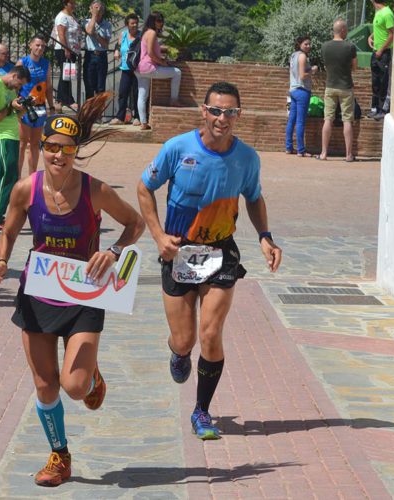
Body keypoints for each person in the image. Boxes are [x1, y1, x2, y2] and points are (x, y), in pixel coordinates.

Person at [0, 94, 145, 487]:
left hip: (84, 294)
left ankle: (91, 377)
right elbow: (7, 233)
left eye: (67, 150)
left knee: (74, 387)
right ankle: (60, 456)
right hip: (38, 294)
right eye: (52, 148)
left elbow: (135, 223)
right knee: (45, 384)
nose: (59, 156)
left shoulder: (95, 190)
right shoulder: (25, 189)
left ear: (76, 153)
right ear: (42, 148)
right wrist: (1, 262)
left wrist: (113, 251)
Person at [136, 82, 283, 440]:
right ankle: (178, 353)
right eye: (216, 110)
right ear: (204, 111)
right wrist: (158, 236)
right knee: (185, 340)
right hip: (179, 251)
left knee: (211, 333)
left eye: (230, 112)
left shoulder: (247, 158)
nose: (222, 118)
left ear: (238, 116)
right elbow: (144, 188)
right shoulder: (178, 148)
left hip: (220, 252)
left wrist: (265, 236)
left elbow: (254, 197)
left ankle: (202, 411)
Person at [0, 66, 30, 234]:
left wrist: (21, 108)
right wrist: (10, 106)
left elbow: (12, 114)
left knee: (11, 176)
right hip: (1, 137)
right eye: (19, 84)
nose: (18, 88)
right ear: (14, 75)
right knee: (5, 176)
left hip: (12, 136)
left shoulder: (10, 89)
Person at [16, 34, 56, 176]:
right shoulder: (23, 62)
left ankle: (31, 177)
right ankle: (17, 176)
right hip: (25, 107)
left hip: (40, 107)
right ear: (30, 45)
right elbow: (15, 84)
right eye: (37, 45)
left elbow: (49, 87)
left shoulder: (46, 63)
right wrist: (16, 103)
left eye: (43, 46)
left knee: (35, 144)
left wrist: (51, 106)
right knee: (22, 144)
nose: (40, 48)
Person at [319, 19, 358, 162]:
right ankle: (348, 155)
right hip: (346, 87)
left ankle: (324, 153)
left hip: (330, 86)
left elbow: (326, 65)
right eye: (346, 29)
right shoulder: (350, 47)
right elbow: (355, 67)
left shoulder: (324, 47)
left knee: (327, 119)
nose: (347, 32)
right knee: (347, 120)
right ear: (342, 30)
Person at [135, 12, 182, 131]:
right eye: (158, 20)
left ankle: (143, 123)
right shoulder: (151, 33)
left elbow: (150, 49)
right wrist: (162, 62)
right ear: (153, 21)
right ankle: (174, 100)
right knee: (177, 72)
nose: (161, 23)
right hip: (148, 67)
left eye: (162, 20)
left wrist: (164, 50)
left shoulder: (146, 33)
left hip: (139, 69)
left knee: (142, 96)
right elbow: (151, 53)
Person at [285, 36, 318, 157]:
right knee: (300, 121)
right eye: (306, 44)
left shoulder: (293, 55)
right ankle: (301, 150)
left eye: (309, 44)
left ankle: (289, 147)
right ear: (300, 44)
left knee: (292, 120)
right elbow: (303, 75)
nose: (308, 46)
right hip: (302, 90)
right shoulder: (303, 56)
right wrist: (313, 70)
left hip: (293, 89)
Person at [110, 13, 140, 125]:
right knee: (123, 93)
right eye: (132, 23)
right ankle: (120, 117)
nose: (135, 25)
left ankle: (138, 117)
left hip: (138, 69)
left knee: (137, 93)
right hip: (125, 68)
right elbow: (118, 46)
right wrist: (117, 50)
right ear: (127, 24)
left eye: (136, 23)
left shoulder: (141, 36)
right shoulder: (123, 34)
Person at [52, 0, 81, 113]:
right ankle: (64, 99)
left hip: (72, 50)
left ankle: (64, 98)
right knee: (65, 74)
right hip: (64, 49)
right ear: (65, 4)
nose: (74, 5)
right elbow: (61, 33)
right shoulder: (62, 16)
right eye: (71, 3)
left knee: (69, 75)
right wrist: (66, 48)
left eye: (74, 3)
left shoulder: (71, 16)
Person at [367, 0, 394, 120]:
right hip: (376, 52)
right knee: (375, 81)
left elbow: (392, 34)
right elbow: (380, 28)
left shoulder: (387, 13)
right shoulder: (378, 12)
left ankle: (382, 109)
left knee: (383, 82)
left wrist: (381, 50)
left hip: (383, 54)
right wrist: (371, 36)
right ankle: (375, 108)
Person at [82, 1, 111, 100]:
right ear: (90, 9)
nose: (98, 10)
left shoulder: (107, 25)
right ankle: (88, 113)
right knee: (89, 86)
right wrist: (94, 15)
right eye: (95, 8)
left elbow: (106, 44)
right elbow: (89, 30)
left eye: (100, 8)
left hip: (101, 56)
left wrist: (96, 35)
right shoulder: (86, 21)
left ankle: (98, 113)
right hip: (90, 55)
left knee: (100, 88)